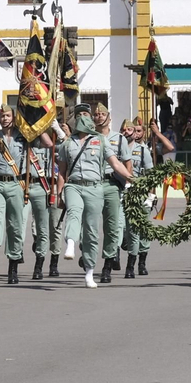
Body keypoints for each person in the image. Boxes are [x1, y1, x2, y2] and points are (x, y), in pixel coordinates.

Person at [56, 102, 130, 288]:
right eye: (79, 116)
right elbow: (61, 172)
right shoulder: (67, 143)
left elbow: (116, 164)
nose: (83, 118)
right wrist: (58, 194)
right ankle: (71, 243)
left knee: (91, 230)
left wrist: (133, 179)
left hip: (95, 187)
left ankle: (89, 271)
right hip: (73, 185)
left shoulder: (101, 140)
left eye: (86, 115)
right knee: (74, 211)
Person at [0, 105, 54, 285]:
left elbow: (48, 144)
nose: (4, 119)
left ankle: (13, 266)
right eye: (2, 116)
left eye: (7, 116)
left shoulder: (24, 137)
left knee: (15, 226)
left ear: (14, 117)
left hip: (17, 184)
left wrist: (33, 126)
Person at [120, 117, 173, 279]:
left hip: (143, 193)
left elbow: (169, 148)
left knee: (142, 229)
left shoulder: (149, 149)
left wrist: (157, 133)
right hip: (125, 192)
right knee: (125, 228)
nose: (135, 133)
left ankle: (140, 262)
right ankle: (127, 249)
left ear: (144, 132)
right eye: (132, 130)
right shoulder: (121, 147)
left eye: (138, 130)